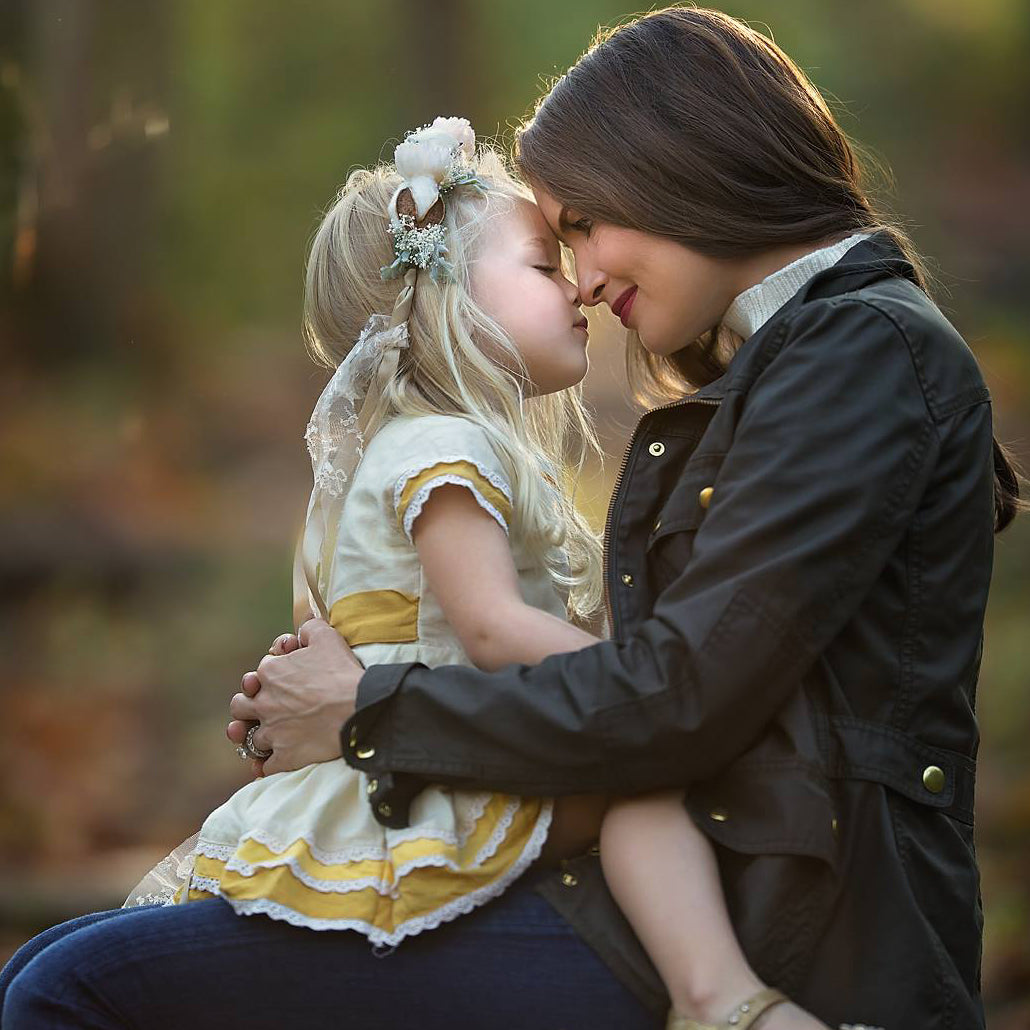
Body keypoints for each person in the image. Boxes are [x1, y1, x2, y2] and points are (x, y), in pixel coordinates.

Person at [1, 7, 1021, 1030]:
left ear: (670, 160)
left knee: (76, 987)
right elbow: (669, 679)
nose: (579, 276)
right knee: (58, 958)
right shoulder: (796, 363)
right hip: (689, 893)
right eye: (554, 245)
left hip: (789, 934)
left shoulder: (859, 354)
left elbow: (674, 697)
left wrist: (371, 711)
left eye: (580, 225)